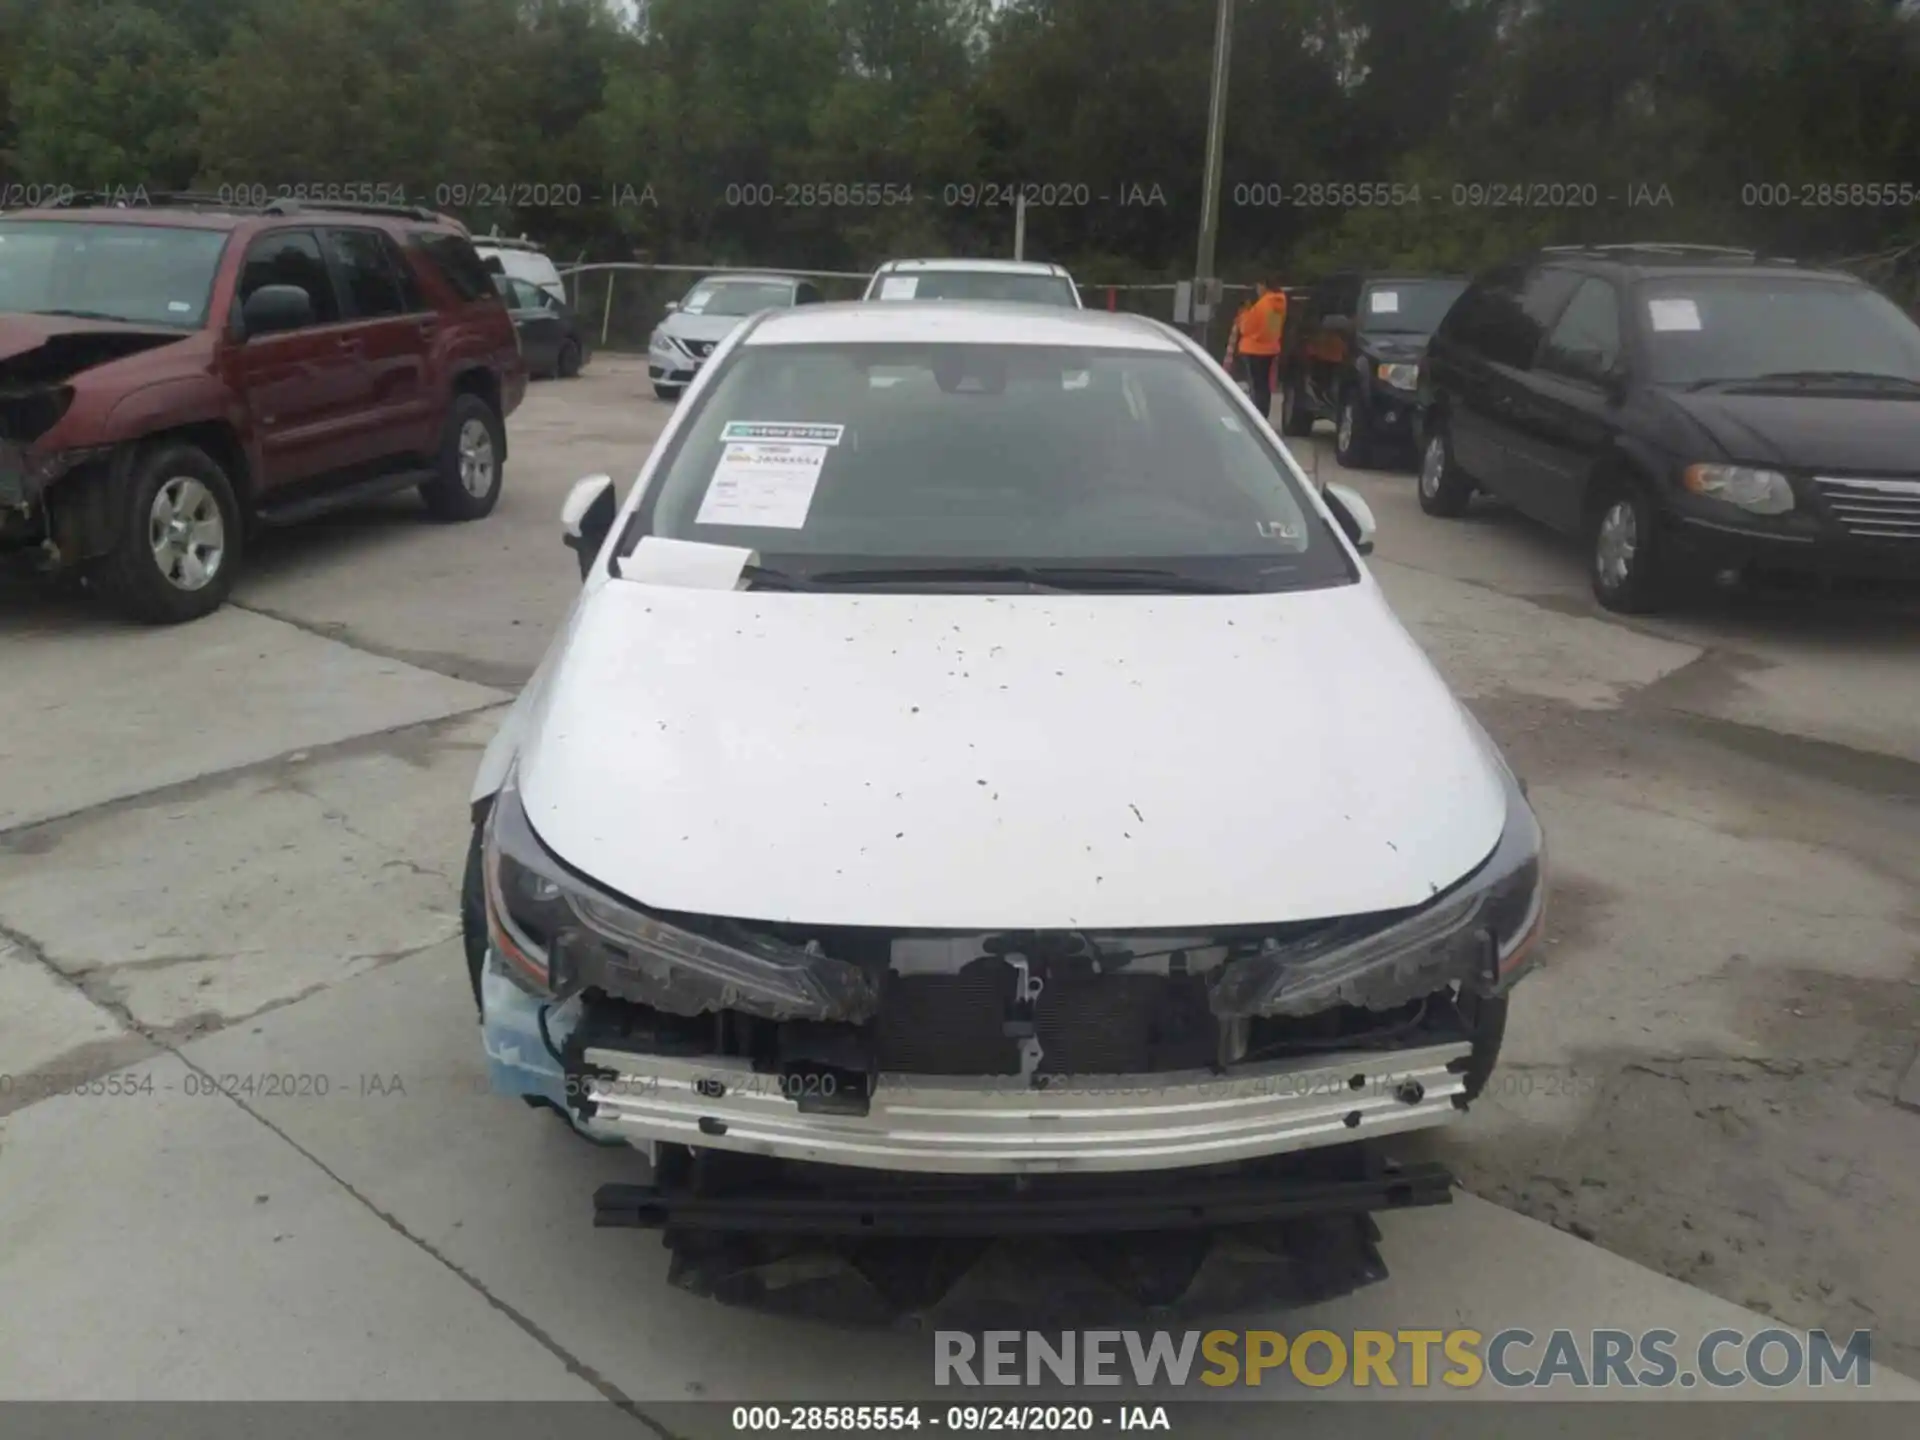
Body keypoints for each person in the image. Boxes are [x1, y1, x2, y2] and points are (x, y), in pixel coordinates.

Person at [1225, 280, 1287, 420]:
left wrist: (1244, 314)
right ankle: (1264, 415)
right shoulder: (1279, 304)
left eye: (1258, 286)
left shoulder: (1261, 305)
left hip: (1254, 349)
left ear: (1264, 286)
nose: (1257, 289)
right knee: (1264, 386)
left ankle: (1256, 416)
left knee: (1256, 386)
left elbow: (1247, 328)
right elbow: (1271, 326)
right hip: (1270, 348)